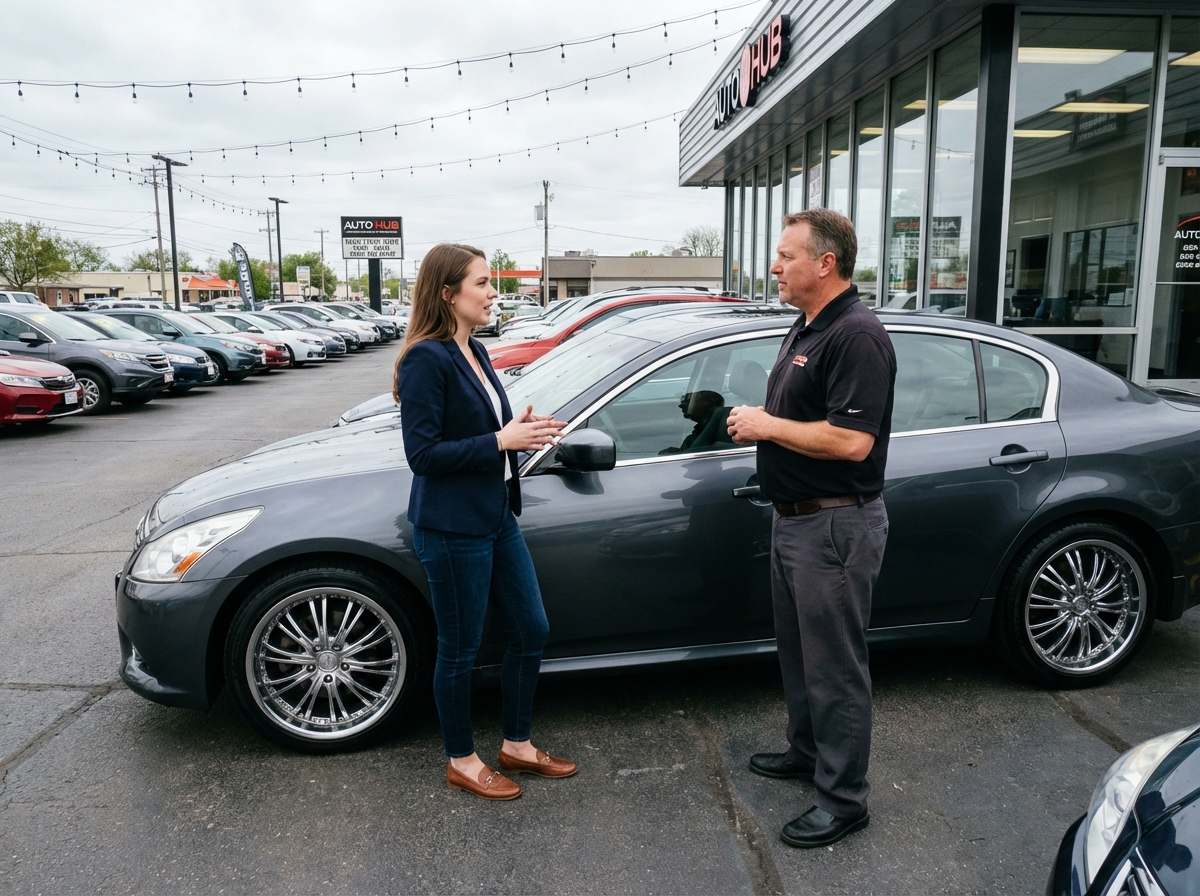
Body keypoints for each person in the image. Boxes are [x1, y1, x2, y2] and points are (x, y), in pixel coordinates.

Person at [727, 209, 896, 848]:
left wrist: (767, 426)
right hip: (796, 522)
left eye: (786, 256)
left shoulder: (856, 334)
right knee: (800, 656)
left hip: (835, 527)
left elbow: (853, 442)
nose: (775, 267)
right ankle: (809, 752)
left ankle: (844, 799)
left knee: (835, 668)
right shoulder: (808, 326)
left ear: (825, 264)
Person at [394, 242, 576, 801]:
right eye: (482, 283)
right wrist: (501, 439)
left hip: (493, 514)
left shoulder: (474, 350)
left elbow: (476, 432)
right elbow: (422, 455)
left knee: (531, 628)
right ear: (448, 293)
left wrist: (516, 428)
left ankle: (515, 745)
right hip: (451, 528)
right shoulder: (427, 358)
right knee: (460, 648)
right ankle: (462, 759)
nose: (493, 293)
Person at [658, 390, 730, 454]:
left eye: (689, 401)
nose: (681, 405)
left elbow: (722, 448)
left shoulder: (725, 420)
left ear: (706, 403)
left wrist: (681, 453)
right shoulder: (701, 427)